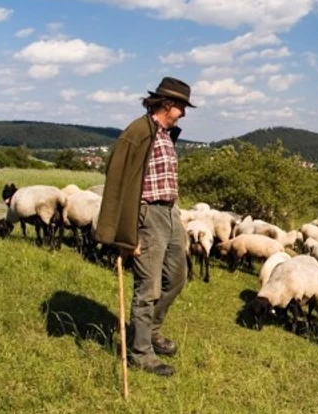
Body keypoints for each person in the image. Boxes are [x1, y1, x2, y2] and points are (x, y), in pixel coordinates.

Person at [95, 77, 196, 377]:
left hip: (169, 213)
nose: (184, 113)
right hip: (147, 216)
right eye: (181, 106)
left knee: (177, 277)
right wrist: (126, 232)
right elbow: (118, 182)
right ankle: (141, 353)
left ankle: (150, 329)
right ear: (167, 104)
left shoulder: (164, 133)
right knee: (148, 287)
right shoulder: (137, 132)